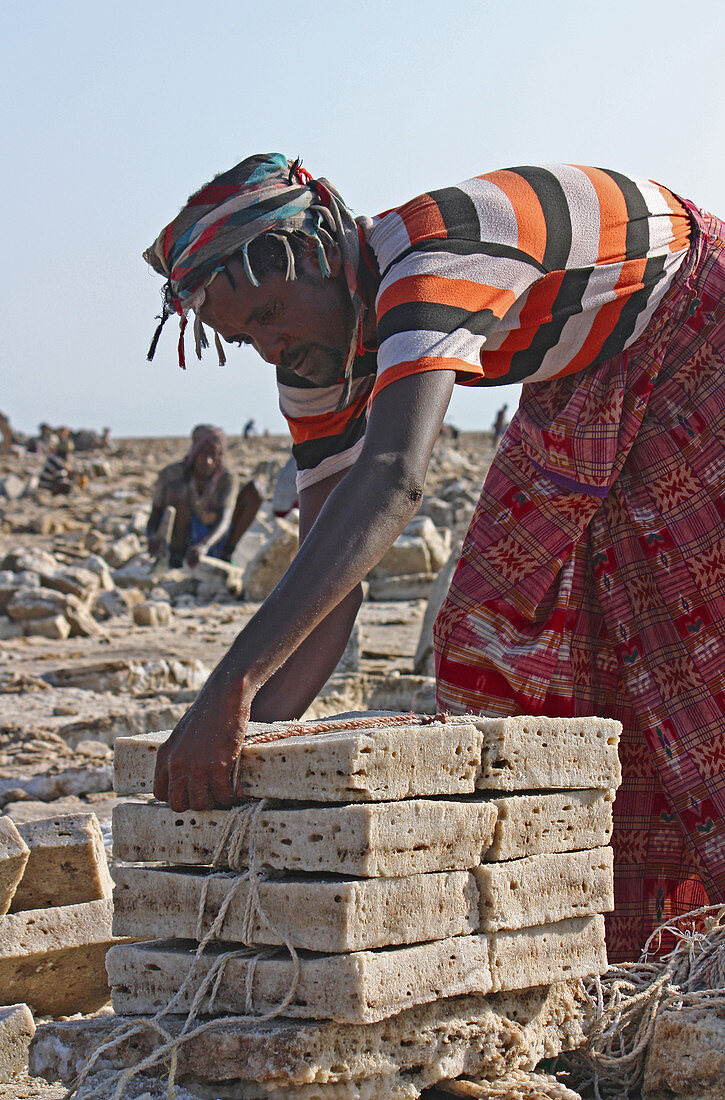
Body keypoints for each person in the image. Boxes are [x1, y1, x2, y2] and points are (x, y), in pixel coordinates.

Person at [144, 153, 725, 962]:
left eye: (273, 311)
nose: (271, 347)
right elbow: (332, 575)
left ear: (322, 254)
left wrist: (228, 689)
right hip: (583, 374)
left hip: (697, 319)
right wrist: (250, 749)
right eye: (247, 336)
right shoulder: (318, 357)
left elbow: (393, 479)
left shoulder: (432, 259)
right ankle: (614, 933)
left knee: (685, 632)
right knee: (497, 629)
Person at [146, 424, 262, 568]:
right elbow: (154, 515)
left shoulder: (226, 478)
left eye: (212, 454)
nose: (208, 461)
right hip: (185, 536)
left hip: (213, 539)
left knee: (255, 491)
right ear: (194, 452)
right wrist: (152, 538)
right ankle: (178, 556)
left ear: (219, 456)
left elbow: (225, 519)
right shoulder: (171, 474)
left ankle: (225, 554)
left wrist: (204, 545)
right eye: (203, 453)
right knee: (176, 490)